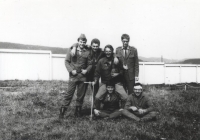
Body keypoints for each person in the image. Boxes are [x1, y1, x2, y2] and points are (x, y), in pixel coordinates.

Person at [59, 34, 92, 119]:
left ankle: (78, 112)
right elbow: (66, 61)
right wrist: (71, 70)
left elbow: (90, 64)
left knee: (80, 95)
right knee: (69, 94)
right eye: (81, 41)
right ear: (78, 41)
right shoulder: (72, 50)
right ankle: (62, 112)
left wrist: (87, 70)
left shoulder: (87, 52)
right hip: (73, 76)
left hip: (82, 76)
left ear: (85, 42)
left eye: (84, 41)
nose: (82, 43)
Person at [94, 45, 127, 109]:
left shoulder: (117, 60)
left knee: (125, 97)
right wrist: (95, 80)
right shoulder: (101, 61)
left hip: (116, 83)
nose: (108, 53)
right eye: (106, 51)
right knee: (97, 97)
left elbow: (122, 71)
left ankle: (122, 111)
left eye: (109, 51)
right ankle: (97, 111)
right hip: (105, 83)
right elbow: (97, 72)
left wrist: (118, 74)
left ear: (112, 51)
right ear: (104, 51)